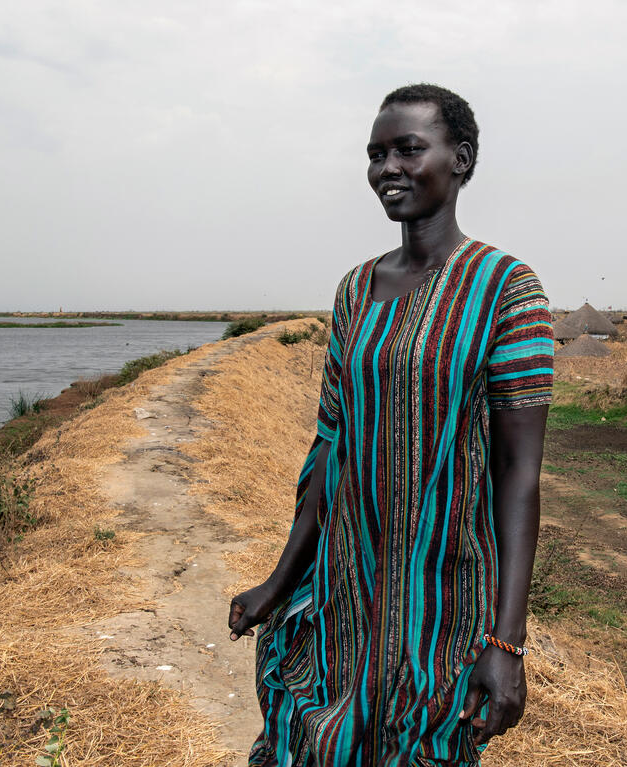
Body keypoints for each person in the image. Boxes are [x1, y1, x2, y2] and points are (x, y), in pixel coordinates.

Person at [228, 83, 554, 767]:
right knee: (322, 738)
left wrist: (507, 642)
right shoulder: (356, 288)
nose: (388, 169)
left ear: (460, 158)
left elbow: (518, 473)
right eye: (376, 154)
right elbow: (330, 446)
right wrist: (279, 579)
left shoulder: (506, 288)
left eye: (409, 148)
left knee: (418, 747)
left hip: (445, 601)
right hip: (345, 588)